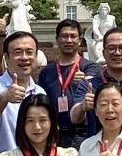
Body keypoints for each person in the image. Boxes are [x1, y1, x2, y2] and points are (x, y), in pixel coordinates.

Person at [37, 19, 96, 148]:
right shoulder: (46, 72)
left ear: (80, 40)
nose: (69, 40)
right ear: (57, 39)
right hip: (54, 135)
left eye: (73, 36)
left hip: (83, 134)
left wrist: (84, 82)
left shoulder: (90, 68)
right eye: (64, 36)